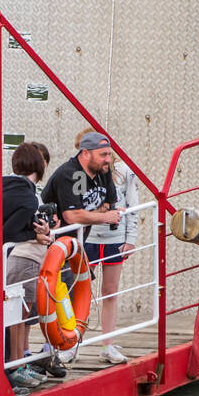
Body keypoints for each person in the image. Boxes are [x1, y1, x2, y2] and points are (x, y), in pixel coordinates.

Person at [0, 141, 56, 395]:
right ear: (39, 166)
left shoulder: (6, 187)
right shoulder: (26, 197)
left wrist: (34, 232)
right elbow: (4, 233)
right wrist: (35, 235)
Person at [41, 130, 128, 365]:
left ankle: (73, 344)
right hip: (50, 243)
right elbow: (70, 215)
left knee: (77, 291)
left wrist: (92, 214)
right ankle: (55, 347)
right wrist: (103, 216)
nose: (108, 160)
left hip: (75, 243)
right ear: (85, 153)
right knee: (59, 294)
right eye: (103, 155)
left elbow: (109, 203)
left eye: (109, 154)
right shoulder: (70, 174)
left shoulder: (102, 172)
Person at [73, 126, 138, 364]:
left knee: (110, 291)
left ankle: (108, 344)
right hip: (88, 238)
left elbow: (132, 206)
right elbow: (76, 208)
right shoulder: (79, 173)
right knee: (79, 291)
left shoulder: (123, 172)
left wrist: (130, 240)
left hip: (114, 239)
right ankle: (72, 343)